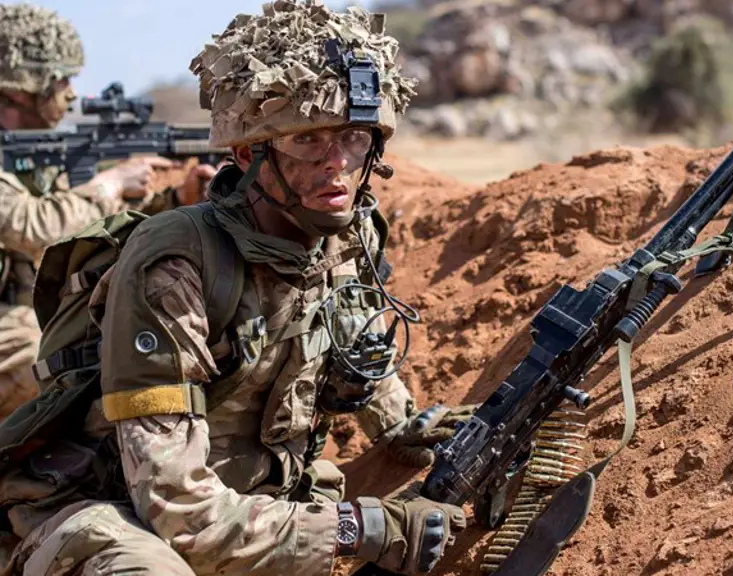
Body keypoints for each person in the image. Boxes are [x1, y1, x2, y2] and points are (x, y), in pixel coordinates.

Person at [0, 1, 477, 574]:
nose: (337, 165)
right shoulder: (175, 263)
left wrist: (409, 425)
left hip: (253, 504)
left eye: (354, 137)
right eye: (308, 141)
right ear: (250, 153)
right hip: (118, 514)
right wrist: (361, 528)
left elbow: (355, 347)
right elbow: (178, 510)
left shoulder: (348, 238)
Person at [0, 3, 216, 419]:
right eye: (61, 79)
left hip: (25, 313)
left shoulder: (36, 157)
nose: (71, 93)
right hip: (13, 327)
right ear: (22, 87)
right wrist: (111, 184)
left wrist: (174, 200)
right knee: (66, 361)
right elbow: (32, 226)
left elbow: (85, 225)